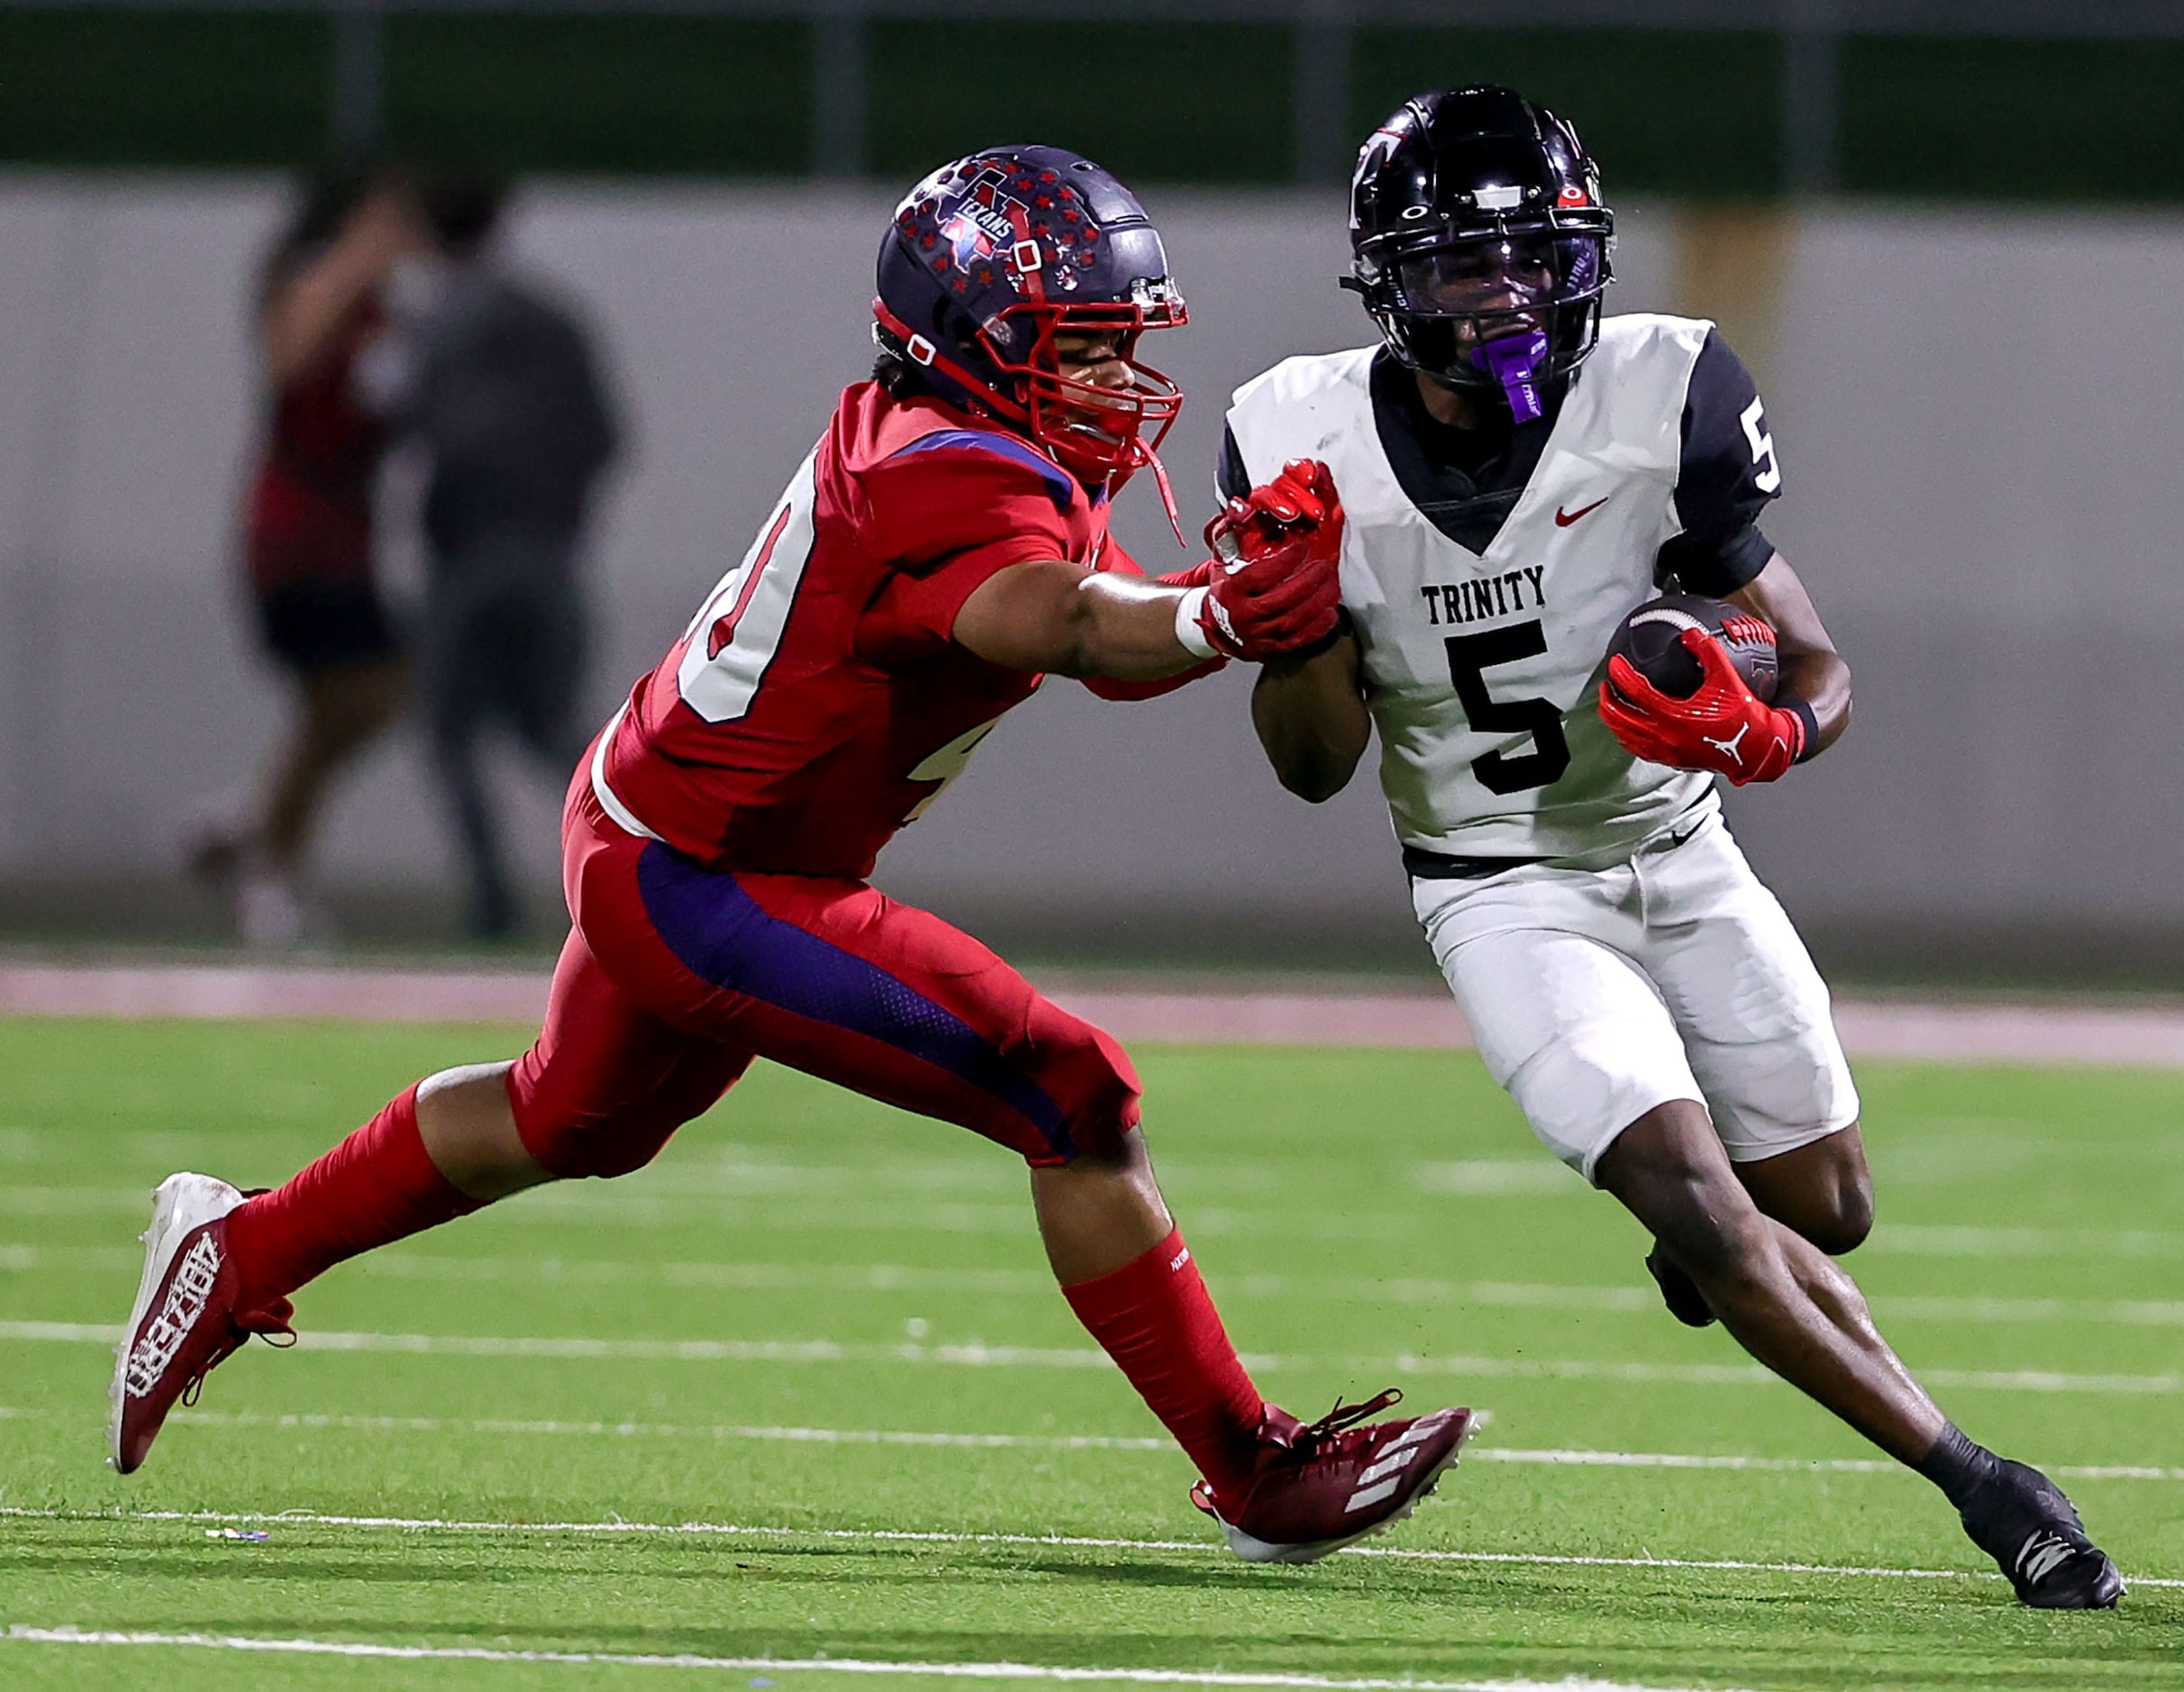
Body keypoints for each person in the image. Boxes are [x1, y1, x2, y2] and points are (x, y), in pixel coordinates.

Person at [111, 146, 1476, 1564]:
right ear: (978, 346)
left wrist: (1204, 603)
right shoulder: (950, 474)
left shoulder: (970, 439)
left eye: (1126, 346)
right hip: (708, 873)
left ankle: (238, 1249)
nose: (1119, 382)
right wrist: (1220, 614)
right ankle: (1255, 1472)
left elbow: (1094, 626)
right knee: (1070, 1090)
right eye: (1083, 349)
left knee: (569, 1120)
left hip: (665, 828)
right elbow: (1061, 624)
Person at [1232, 87, 2122, 1607]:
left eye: (1529, 259)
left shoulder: (1664, 388)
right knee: (1700, 1201)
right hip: (1495, 884)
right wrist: (1295, 623)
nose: (1502, 298)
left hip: (1677, 849)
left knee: (1823, 1205)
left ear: (1581, 255)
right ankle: (1986, 1487)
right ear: (1390, 282)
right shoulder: (1291, 435)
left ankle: (1708, 1252)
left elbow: (1815, 662)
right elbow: (1315, 768)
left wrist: (1776, 729)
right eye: (1462, 266)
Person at [381, 176, 623, 940]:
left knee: (450, 734)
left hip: (466, 560)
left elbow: (407, 429)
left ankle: (492, 902)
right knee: (554, 732)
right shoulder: (554, 322)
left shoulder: (435, 327)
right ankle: (629, 882)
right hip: (549, 554)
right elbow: (607, 437)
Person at [190, 174, 420, 946]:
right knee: (356, 694)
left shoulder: (380, 313)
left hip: (346, 533)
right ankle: (267, 863)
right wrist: (356, 258)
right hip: (294, 534)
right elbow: (288, 363)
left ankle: (256, 829)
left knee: (362, 699)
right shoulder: (314, 285)